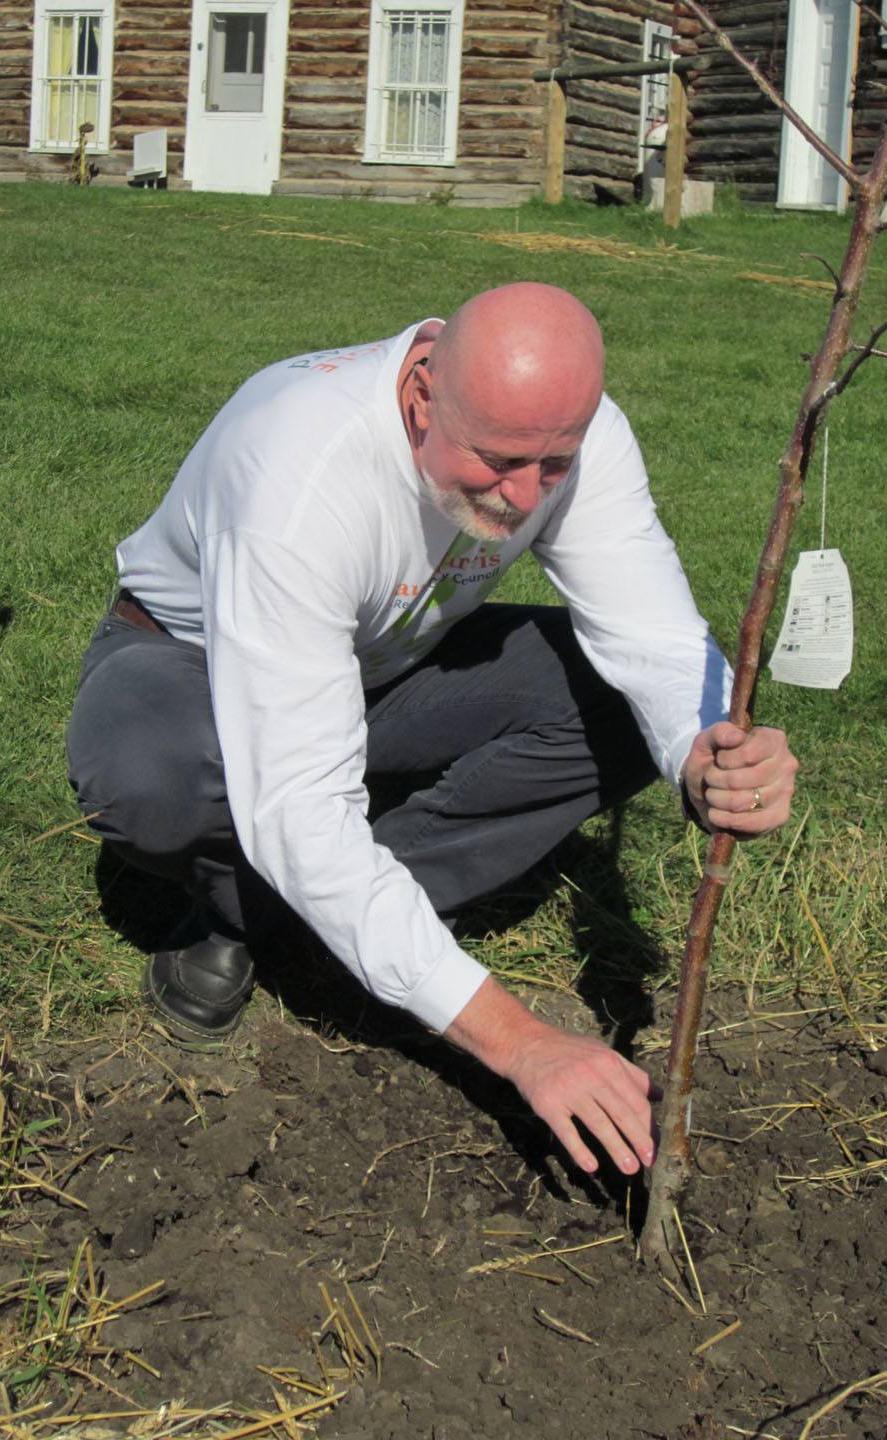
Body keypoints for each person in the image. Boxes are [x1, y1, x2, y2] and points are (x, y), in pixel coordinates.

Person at [67, 283, 798, 1180]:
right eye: (496, 459)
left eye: (555, 466)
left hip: (396, 661)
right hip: (195, 666)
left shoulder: (562, 432)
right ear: (420, 393)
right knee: (148, 772)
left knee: (616, 700)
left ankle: (317, 924)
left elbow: (651, 635)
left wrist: (708, 751)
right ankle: (259, 911)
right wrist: (523, 1044)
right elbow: (299, 806)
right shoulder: (297, 470)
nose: (525, 495)